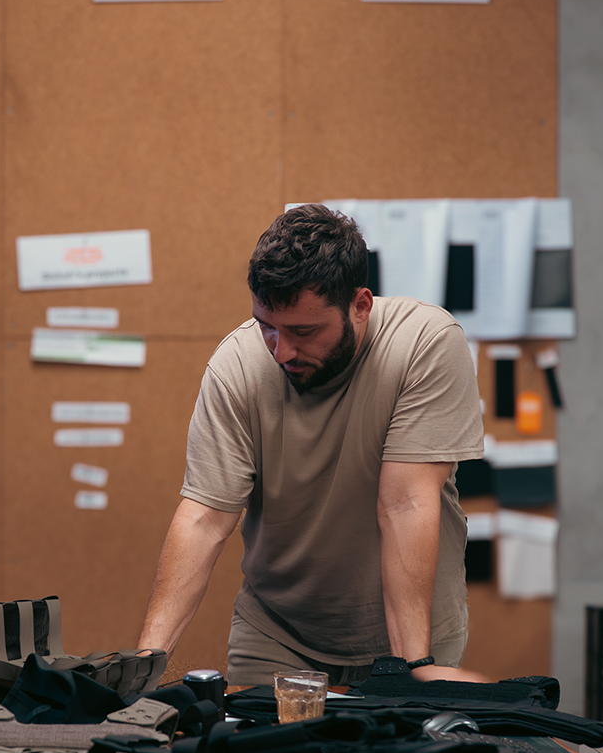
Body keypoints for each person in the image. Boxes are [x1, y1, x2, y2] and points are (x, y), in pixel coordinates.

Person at [138, 203, 489, 696]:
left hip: (409, 635)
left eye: (304, 331)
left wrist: (413, 668)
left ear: (361, 306)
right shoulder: (237, 367)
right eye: (267, 325)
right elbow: (204, 518)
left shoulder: (424, 345)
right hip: (279, 633)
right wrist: (146, 664)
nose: (281, 350)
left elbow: (405, 502)